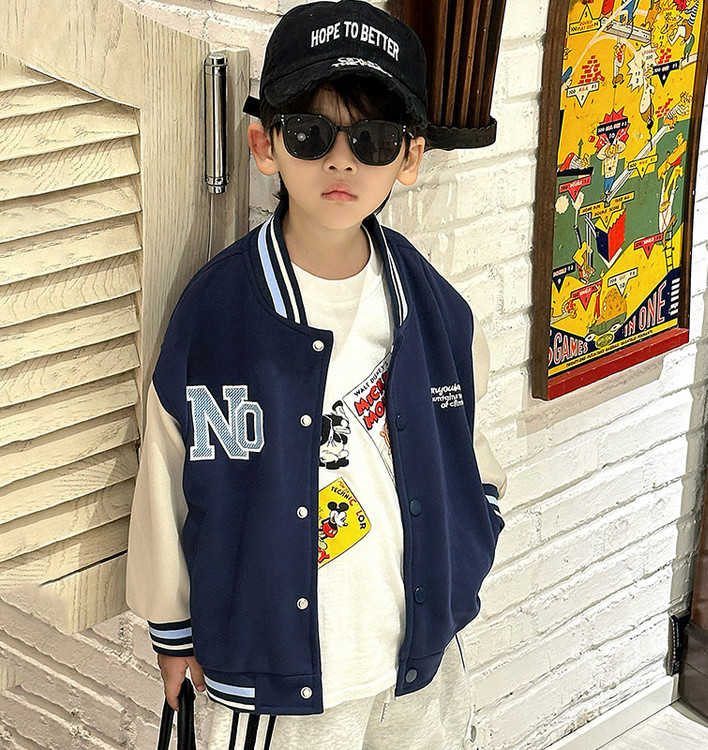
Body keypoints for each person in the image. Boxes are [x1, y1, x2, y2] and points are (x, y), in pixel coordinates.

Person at [126, 1, 506, 748]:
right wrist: (172, 628)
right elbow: (167, 473)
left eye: (373, 139)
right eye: (310, 134)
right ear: (265, 144)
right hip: (273, 677)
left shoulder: (432, 305)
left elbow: (469, 448)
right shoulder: (219, 311)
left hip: (418, 659)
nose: (341, 161)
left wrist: (471, 542)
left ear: (410, 158)